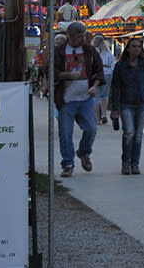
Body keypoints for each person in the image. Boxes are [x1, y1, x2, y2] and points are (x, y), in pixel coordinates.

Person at [54, 21, 105, 178]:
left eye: (83, 36)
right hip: (66, 99)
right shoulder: (59, 51)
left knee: (91, 128)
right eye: (78, 36)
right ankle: (68, 163)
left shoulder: (90, 50)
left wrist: (94, 86)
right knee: (65, 132)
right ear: (70, 36)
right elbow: (51, 71)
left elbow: (99, 71)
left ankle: (83, 152)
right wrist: (67, 75)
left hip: (85, 98)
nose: (82, 39)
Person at [109, 37, 144, 175]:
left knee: (138, 135)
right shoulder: (121, 66)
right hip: (126, 103)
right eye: (134, 46)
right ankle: (125, 162)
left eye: (139, 46)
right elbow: (115, 87)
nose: (137, 49)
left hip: (143, 103)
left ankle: (135, 163)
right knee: (128, 133)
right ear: (128, 49)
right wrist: (114, 108)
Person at [93, 34, 117, 125]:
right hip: (107, 73)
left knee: (96, 97)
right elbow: (113, 63)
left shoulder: (93, 51)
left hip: (96, 74)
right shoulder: (108, 51)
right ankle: (104, 114)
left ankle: (97, 118)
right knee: (104, 96)